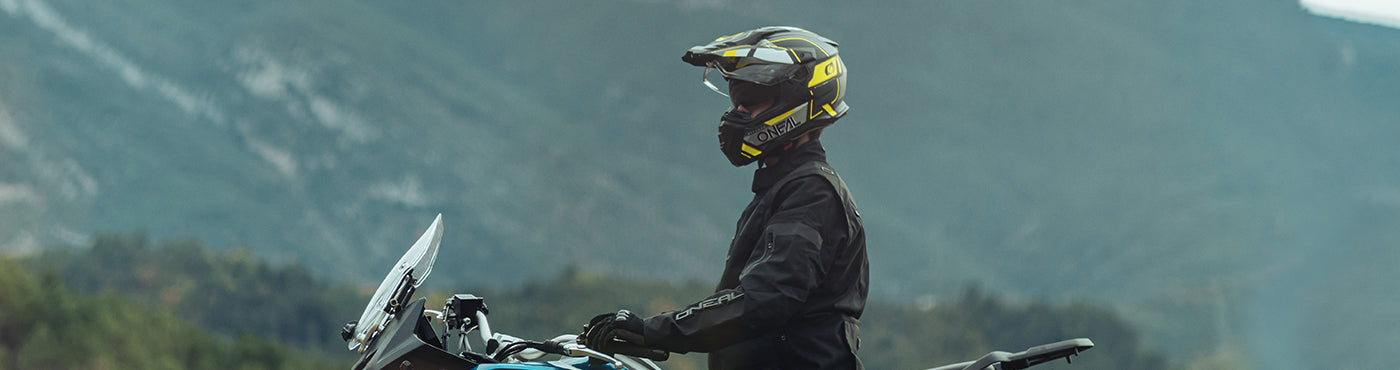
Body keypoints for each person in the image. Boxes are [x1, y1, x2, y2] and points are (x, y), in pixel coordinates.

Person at [583, 26, 867, 369]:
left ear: (797, 101)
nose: (737, 114)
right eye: (735, 99)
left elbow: (765, 299)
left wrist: (652, 330)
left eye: (750, 100)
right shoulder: (783, 188)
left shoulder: (811, 193)